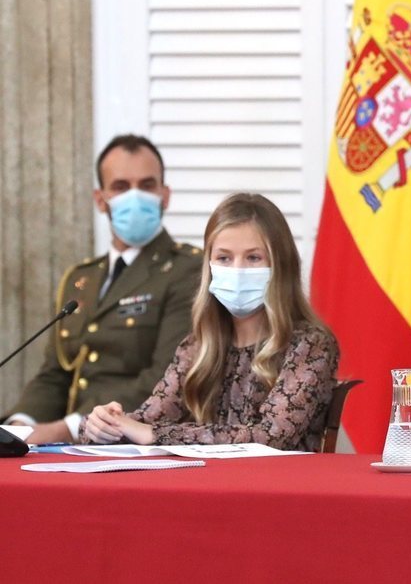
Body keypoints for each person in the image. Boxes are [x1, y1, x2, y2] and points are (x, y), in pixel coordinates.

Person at [81, 193, 340, 452]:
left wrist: (155, 434)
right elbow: (146, 420)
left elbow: (271, 436)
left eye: (253, 258)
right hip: (205, 487)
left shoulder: (310, 344)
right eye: (224, 258)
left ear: (280, 266)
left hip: (278, 488)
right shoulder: (197, 346)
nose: (238, 270)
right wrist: (102, 424)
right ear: (209, 266)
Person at [3, 134, 201, 444]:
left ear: (165, 196)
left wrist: (65, 429)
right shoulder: (81, 278)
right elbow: (54, 375)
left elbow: (166, 377)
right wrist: (19, 426)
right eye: (121, 187)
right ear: (100, 199)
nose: (135, 196)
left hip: (128, 444)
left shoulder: (188, 270)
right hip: (66, 450)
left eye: (147, 185)